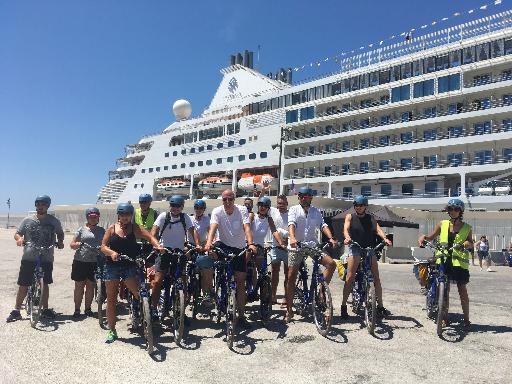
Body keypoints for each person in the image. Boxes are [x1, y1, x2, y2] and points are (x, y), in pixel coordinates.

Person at [101, 203, 163, 343]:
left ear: (131, 215)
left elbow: (149, 237)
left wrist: (158, 246)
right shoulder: (112, 228)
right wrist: (111, 253)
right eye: (122, 215)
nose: (125, 217)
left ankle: (144, 317)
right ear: (119, 215)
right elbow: (103, 246)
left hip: (130, 265)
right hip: (112, 267)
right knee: (111, 299)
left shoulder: (135, 227)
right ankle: (112, 330)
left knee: (139, 295)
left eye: (127, 215)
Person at [204, 189, 258, 328]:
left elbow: (247, 228)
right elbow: (213, 228)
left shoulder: (242, 210)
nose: (227, 202)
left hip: (239, 247)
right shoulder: (217, 211)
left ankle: (241, 316)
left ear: (234, 199)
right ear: (222, 200)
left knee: (240, 282)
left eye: (230, 199)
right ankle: (213, 292)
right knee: (211, 257)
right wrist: (209, 243)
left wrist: (250, 244)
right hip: (223, 245)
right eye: (225, 200)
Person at [7, 195, 65, 322]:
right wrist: (19, 239)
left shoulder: (54, 221)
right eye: (38, 204)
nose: (41, 206)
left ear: (48, 206)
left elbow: (60, 233)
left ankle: (45, 309)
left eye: (43, 204)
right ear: (36, 205)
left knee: (45, 283)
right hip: (29, 256)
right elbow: (17, 233)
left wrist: (60, 241)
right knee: (23, 284)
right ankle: (17, 310)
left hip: (47, 257)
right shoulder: (27, 220)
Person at [418, 198, 473, 330]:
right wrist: (422, 237)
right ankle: (444, 318)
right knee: (444, 290)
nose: (453, 211)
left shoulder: (467, 227)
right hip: (443, 260)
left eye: (456, 209)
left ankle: (466, 319)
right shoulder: (442, 224)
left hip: (459, 263)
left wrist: (465, 244)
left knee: (462, 291)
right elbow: (430, 237)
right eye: (450, 209)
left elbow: (470, 243)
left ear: (461, 211)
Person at [285, 187, 337, 323]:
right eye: (302, 196)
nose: (304, 198)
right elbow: (291, 224)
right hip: (297, 246)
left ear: (311, 197)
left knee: (331, 264)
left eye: (307, 196)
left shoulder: (316, 211)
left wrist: (330, 238)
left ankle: (321, 290)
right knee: (291, 276)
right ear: (299, 197)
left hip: (312, 245)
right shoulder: (294, 210)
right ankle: (289, 310)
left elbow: (323, 225)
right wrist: (292, 238)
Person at [340, 195, 393, 320]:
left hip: (369, 248)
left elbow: (378, 229)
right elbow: (346, 229)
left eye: (361, 205)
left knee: (376, 278)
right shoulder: (350, 216)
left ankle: (380, 306)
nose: (359, 207)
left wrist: (384, 238)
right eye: (357, 205)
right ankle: (343, 305)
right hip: (355, 247)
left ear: (365, 206)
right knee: (350, 277)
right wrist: (347, 237)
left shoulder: (371, 218)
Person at [150, 195, 200, 319]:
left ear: (182, 207)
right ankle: (153, 309)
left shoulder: (185, 217)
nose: (175, 208)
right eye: (173, 205)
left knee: (182, 281)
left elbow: (193, 231)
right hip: (164, 251)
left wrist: (198, 244)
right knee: (157, 281)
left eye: (178, 206)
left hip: (179, 252)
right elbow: (153, 232)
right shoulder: (164, 216)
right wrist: (156, 245)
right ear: (170, 206)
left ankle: (181, 308)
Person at [69, 207, 105, 318]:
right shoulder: (81, 230)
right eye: (91, 217)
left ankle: (88, 309)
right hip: (81, 261)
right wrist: (78, 244)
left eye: (95, 217)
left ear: (98, 217)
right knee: (79, 286)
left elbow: (106, 244)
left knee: (91, 286)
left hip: (95, 262)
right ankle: (77, 309)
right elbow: (72, 244)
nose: (93, 219)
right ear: (87, 218)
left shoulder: (102, 230)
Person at [248, 196, 285, 299]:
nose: (262, 207)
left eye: (265, 206)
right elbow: (246, 229)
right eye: (260, 205)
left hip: (259, 247)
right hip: (248, 245)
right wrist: (249, 243)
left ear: (268, 208)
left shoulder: (269, 219)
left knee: (262, 272)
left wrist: (281, 243)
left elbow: (274, 231)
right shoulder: (252, 216)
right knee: (244, 270)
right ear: (258, 206)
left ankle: (259, 292)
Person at [189, 199, 215, 304]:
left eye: (201, 208)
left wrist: (210, 244)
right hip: (191, 245)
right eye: (196, 208)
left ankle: (206, 294)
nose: (198, 210)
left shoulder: (206, 219)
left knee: (206, 269)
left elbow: (210, 232)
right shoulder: (189, 219)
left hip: (203, 245)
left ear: (204, 209)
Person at [269, 195, 290, 306]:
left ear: (286, 203)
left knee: (287, 274)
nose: (280, 206)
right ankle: (273, 296)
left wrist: (287, 241)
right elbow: (260, 202)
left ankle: (286, 297)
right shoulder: (273, 211)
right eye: (278, 203)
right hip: (276, 247)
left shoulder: (290, 214)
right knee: (274, 272)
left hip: (288, 248)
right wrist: (263, 190)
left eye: (282, 203)